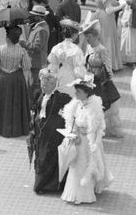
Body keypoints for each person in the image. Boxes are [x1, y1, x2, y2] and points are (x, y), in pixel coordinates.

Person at [59, 75, 112, 205]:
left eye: (78, 91)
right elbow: (72, 120)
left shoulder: (94, 108)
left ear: (86, 93)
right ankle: (72, 193)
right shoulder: (76, 104)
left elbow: (98, 128)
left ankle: (83, 195)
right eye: (76, 91)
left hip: (88, 142)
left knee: (83, 166)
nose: (76, 94)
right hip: (77, 139)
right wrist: (74, 133)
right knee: (74, 166)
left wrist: (90, 140)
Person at [29, 67, 70, 194]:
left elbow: (72, 107)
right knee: (41, 156)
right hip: (40, 132)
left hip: (53, 134)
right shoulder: (40, 95)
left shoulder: (61, 97)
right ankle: (42, 184)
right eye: (42, 85)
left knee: (49, 157)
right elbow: (35, 109)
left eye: (46, 85)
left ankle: (46, 185)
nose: (43, 87)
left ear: (53, 85)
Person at [0, 25, 31, 137]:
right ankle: (16, 129)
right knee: (16, 104)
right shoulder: (22, 51)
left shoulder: (0, 49)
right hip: (16, 79)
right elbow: (26, 66)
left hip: (1, 79)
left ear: (7, 38)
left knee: (0, 104)